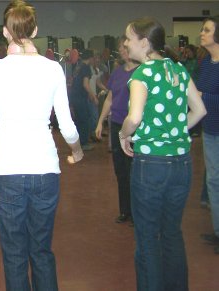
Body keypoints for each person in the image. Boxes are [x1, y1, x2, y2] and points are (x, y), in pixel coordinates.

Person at [0, 1, 83, 290]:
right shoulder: (54, 69)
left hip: (6, 173)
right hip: (46, 171)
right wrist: (77, 151)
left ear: (5, 32)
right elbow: (67, 125)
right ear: (36, 30)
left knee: (14, 254)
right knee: (41, 250)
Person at [119, 17, 206, 290]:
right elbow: (199, 110)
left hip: (151, 166)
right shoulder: (178, 70)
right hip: (181, 164)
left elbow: (133, 117)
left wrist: (124, 134)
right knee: (171, 234)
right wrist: (175, 131)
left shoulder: (142, 75)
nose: (125, 43)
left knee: (146, 238)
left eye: (129, 39)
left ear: (144, 43)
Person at [95, 36, 138, 225]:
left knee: (134, 171)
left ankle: (137, 213)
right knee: (120, 170)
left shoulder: (141, 72)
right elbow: (110, 99)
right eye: (120, 47)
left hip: (135, 126)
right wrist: (100, 121)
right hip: (117, 124)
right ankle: (125, 210)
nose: (122, 50)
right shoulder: (118, 73)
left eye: (124, 46)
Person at [197, 15, 219, 254]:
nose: (202, 33)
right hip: (210, 130)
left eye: (207, 30)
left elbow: (203, 95)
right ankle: (217, 230)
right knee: (213, 181)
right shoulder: (205, 64)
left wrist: (203, 98)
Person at [70, 49, 97, 151]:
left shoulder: (78, 66)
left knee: (78, 120)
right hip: (81, 97)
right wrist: (93, 96)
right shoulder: (86, 67)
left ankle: (77, 142)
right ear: (90, 58)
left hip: (74, 96)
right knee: (85, 120)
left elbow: (73, 81)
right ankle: (84, 143)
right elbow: (85, 84)